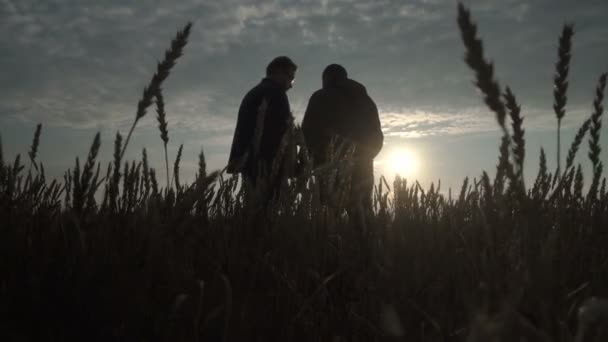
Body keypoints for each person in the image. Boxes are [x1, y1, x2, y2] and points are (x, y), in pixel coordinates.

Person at [302, 64, 383, 209]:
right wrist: (365, 157)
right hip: (362, 169)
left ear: (326, 79)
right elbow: (377, 136)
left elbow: (308, 133)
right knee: (362, 219)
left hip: (328, 167)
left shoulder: (320, 97)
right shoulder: (366, 100)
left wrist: (308, 163)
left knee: (327, 218)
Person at [227, 56, 297, 197]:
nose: (291, 84)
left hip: (250, 163)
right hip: (267, 165)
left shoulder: (254, 92)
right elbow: (282, 132)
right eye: (290, 77)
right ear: (277, 72)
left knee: (253, 208)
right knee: (269, 210)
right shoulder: (276, 93)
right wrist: (291, 164)